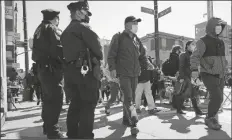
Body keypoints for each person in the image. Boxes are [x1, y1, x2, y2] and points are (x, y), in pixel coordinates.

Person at [61, 1, 103, 139]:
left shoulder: (65, 31)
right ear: (79, 12)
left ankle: (72, 135)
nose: (88, 16)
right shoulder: (83, 27)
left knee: (75, 105)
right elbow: (98, 48)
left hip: (70, 72)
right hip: (85, 71)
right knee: (88, 104)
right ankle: (85, 136)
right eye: (86, 12)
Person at [107, 16, 150, 135]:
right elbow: (111, 54)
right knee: (129, 97)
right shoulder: (118, 37)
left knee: (129, 97)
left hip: (135, 74)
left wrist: (146, 66)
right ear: (127, 25)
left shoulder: (137, 39)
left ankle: (126, 119)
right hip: (123, 73)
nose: (136, 25)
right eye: (134, 23)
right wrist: (112, 68)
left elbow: (142, 56)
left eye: (137, 23)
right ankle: (133, 123)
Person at [31, 9, 64, 138]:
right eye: (58, 19)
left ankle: (47, 126)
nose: (58, 22)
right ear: (55, 19)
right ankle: (53, 131)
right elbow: (58, 48)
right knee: (55, 99)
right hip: (51, 68)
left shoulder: (39, 29)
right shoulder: (51, 28)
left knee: (47, 99)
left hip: (42, 68)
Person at [190, 17, 227, 130]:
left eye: (221, 27)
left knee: (219, 99)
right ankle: (210, 118)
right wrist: (195, 71)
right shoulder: (202, 41)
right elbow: (195, 56)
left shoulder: (221, 42)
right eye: (217, 26)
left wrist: (226, 69)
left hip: (220, 75)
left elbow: (222, 59)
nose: (219, 29)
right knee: (217, 97)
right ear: (211, 27)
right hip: (208, 74)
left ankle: (211, 117)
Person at [175, 40, 205, 115]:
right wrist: (181, 77)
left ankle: (180, 109)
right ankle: (196, 110)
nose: (194, 46)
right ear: (187, 46)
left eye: (194, 44)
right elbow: (181, 66)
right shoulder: (183, 55)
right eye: (192, 44)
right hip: (185, 77)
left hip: (192, 77)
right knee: (189, 93)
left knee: (191, 93)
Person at [135, 46, 160, 114]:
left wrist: (151, 67)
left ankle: (151, 108)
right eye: (144, 51)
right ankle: (137, 108)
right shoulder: (135, 58)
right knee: (138, 95)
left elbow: (151, 67)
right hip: (139, 80)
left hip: (146, 79)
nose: (145, 52)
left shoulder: (147, 59)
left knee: (148, 94)